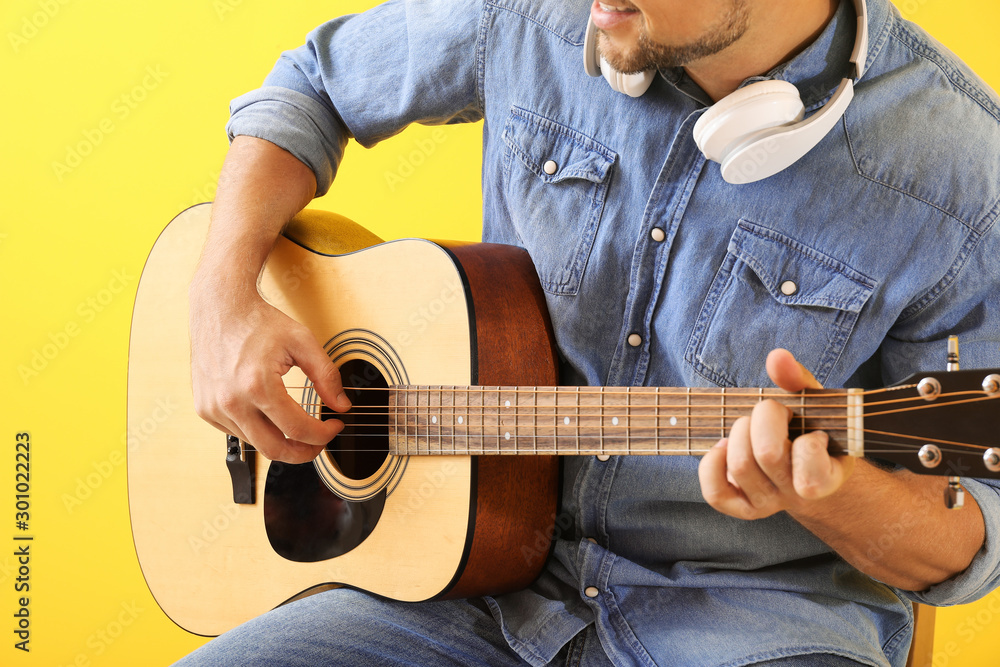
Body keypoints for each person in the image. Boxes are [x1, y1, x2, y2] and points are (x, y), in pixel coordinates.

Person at [179, 0, 1000, 664]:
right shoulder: (537, 16)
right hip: (471, 588)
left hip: (758, 625)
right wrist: (222, 299)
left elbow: (971, 523)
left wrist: (834, 496)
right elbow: (311, 85)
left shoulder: (962, 168)